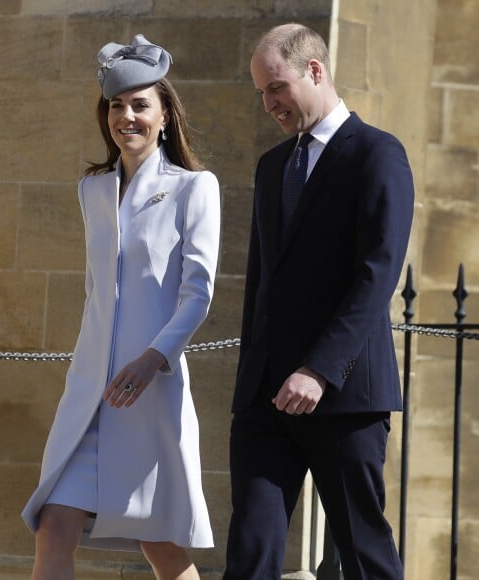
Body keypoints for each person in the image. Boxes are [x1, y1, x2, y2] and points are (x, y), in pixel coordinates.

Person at [22, 34, 220, 580]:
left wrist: (151, 359)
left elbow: (198, 294)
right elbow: (95, 293)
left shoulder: (195, 188)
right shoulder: (92, 191)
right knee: (55, 522)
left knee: (160, 546)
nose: (126, 115)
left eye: (140, 104)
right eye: (116, 105)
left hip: (149, 392)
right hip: (89, 394)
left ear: (164, 117)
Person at [224, 23, 414, 580]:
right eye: (261, 92)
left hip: (344, 398)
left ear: (315, 70)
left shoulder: (377, 153)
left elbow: (377, 276)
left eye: (275, 87)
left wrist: (320, 369)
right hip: (265, 403)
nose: (268, 103)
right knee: (250, 555)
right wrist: (251, 384)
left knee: (364, 557)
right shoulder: (271, 167)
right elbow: (262, 284)